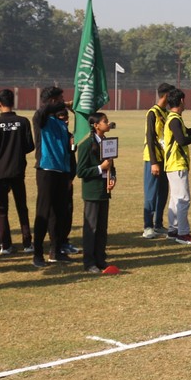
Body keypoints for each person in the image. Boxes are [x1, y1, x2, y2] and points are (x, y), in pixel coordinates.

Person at [0, 89, 35, 254]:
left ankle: (5, 245)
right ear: (13, 102)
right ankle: (27, 243)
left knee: (1, 209)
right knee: (22, 207)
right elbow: (30, 146)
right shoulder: (23, 122)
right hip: (18, 170)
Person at [76, 112, 119, 274]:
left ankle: (100, 259)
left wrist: (112, 177)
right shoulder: (86, 145)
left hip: (103, 191)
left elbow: (111, 165)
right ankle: (89, 262)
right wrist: (101, 168)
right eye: (105, 121)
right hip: (92, 192)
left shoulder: (107, 142)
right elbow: (81, 171)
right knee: (91, 229)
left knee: (102, 228)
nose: (108, 124)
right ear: (96, 125)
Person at [32, 106, 75, 268]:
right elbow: (41, 112)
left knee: (59, 213)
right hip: (47, 170)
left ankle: (56, 251)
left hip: (63, 172)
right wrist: (60, 103)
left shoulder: (62, 125)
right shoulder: (43, 121)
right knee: (43, 213)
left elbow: (69, 151)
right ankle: (37, 254)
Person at [162, 88, 191, 244]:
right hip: (176, 164)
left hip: (174, 164)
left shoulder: (174, 118)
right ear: (181, 101)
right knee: (183, 199)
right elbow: (182, 140)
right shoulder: (174, 119)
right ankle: (183, 233)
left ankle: (173, 230)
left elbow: (184, 132)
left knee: (175, 199)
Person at [142, 83, 173, 239]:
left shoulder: (166, 113)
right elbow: (150, 137)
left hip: (165, 159)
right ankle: (147, 226)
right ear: (166, 95)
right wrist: (154, 162)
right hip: (153, 158)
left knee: (163, 192)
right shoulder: (152, 113)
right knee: (151, 193)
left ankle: (158, 224)